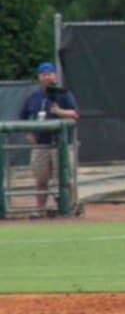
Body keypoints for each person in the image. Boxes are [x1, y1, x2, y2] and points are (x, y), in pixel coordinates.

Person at [19, 61, 80, 215]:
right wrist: (29, 134)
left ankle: (69, 208)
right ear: (39, 77)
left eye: (50, 74)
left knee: (65, 178)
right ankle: (40, 210)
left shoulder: (64, 94)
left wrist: (59, 111)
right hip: (41, 144)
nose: (47, 77)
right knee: (40, 179)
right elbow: (23, 118)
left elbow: (75, 115)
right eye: (43, 74)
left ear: (55, 75)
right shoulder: (33, 97)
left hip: (62, 144)